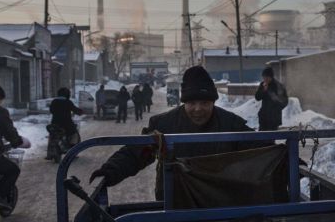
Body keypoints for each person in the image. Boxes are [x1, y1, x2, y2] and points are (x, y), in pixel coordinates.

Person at [91, 66, 260, 199]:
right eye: (192, 102)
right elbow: (136, 153)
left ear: (213, 101)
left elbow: (262, 150)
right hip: (175, 209)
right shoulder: (163, 125)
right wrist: (109, 172)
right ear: (184, 102)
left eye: (205, 102)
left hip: (219, 206)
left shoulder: (232, 125)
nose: (198, 109)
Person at [254, 67, 288, 132]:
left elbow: (285, 101)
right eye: (263, 77)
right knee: (261, 137)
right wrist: (263, 90)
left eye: (266, 77)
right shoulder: (263, 85)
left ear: (271, 77)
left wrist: (275, 110)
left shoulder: (278, 86)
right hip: (264, 117)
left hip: (274, 119)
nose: (264, 79)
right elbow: (257, 97)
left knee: (271, 138)